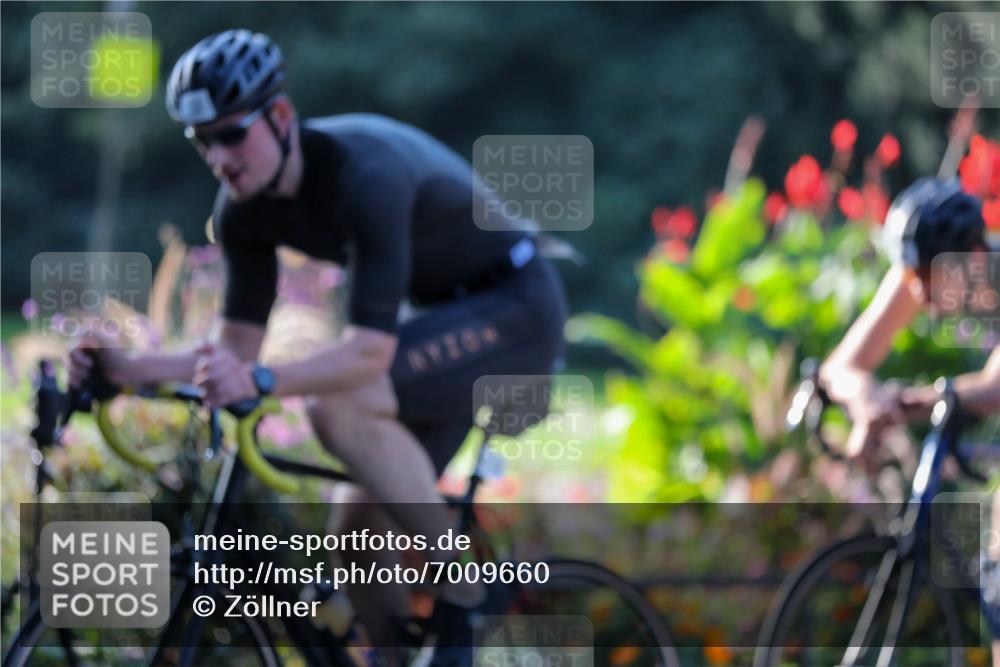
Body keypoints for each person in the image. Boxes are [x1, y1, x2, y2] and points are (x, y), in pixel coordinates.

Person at [68, 29, 568, 666]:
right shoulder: (244, 208)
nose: (218, 157)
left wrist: (265, 382)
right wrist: (127, 367)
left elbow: (365, 357)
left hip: (516, 310)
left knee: (339, 406)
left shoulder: (367, 175)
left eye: (231, 134)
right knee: (356, 538)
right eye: (202, 140)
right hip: (439, 326)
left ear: (280, 117)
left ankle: (464, 595)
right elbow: (235, 349)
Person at [819, 176, 1000, 660]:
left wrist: (907, 401)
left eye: (925, 275)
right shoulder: (919, 276)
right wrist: (866, 401)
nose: (917, 290)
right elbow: (842, 366)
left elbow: (994, 388)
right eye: (910, 275)